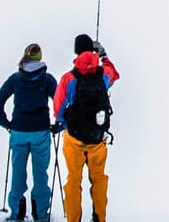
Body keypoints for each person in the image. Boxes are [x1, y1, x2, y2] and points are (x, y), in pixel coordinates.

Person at [53, 32, 120, 222]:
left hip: (74, 138)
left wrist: (66, 122)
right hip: (98, 138)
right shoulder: (103, 74)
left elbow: (58, 109)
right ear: (92, 50)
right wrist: (104, 56)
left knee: (73, 181)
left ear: (75, 51)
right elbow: (114, 74)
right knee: (98, 179)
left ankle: (73, 219)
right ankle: (99, 217)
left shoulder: (69, 78)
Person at [0, 42, 60, 220]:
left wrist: (6, 123)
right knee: (40, 172)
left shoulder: (15, 78)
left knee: (17, 171)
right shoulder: (47, 79)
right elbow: (61, 103)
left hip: (19, 131)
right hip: (40, 131)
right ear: (40, 58)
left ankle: (16, 213)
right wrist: (59, 125)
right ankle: (40, 214)